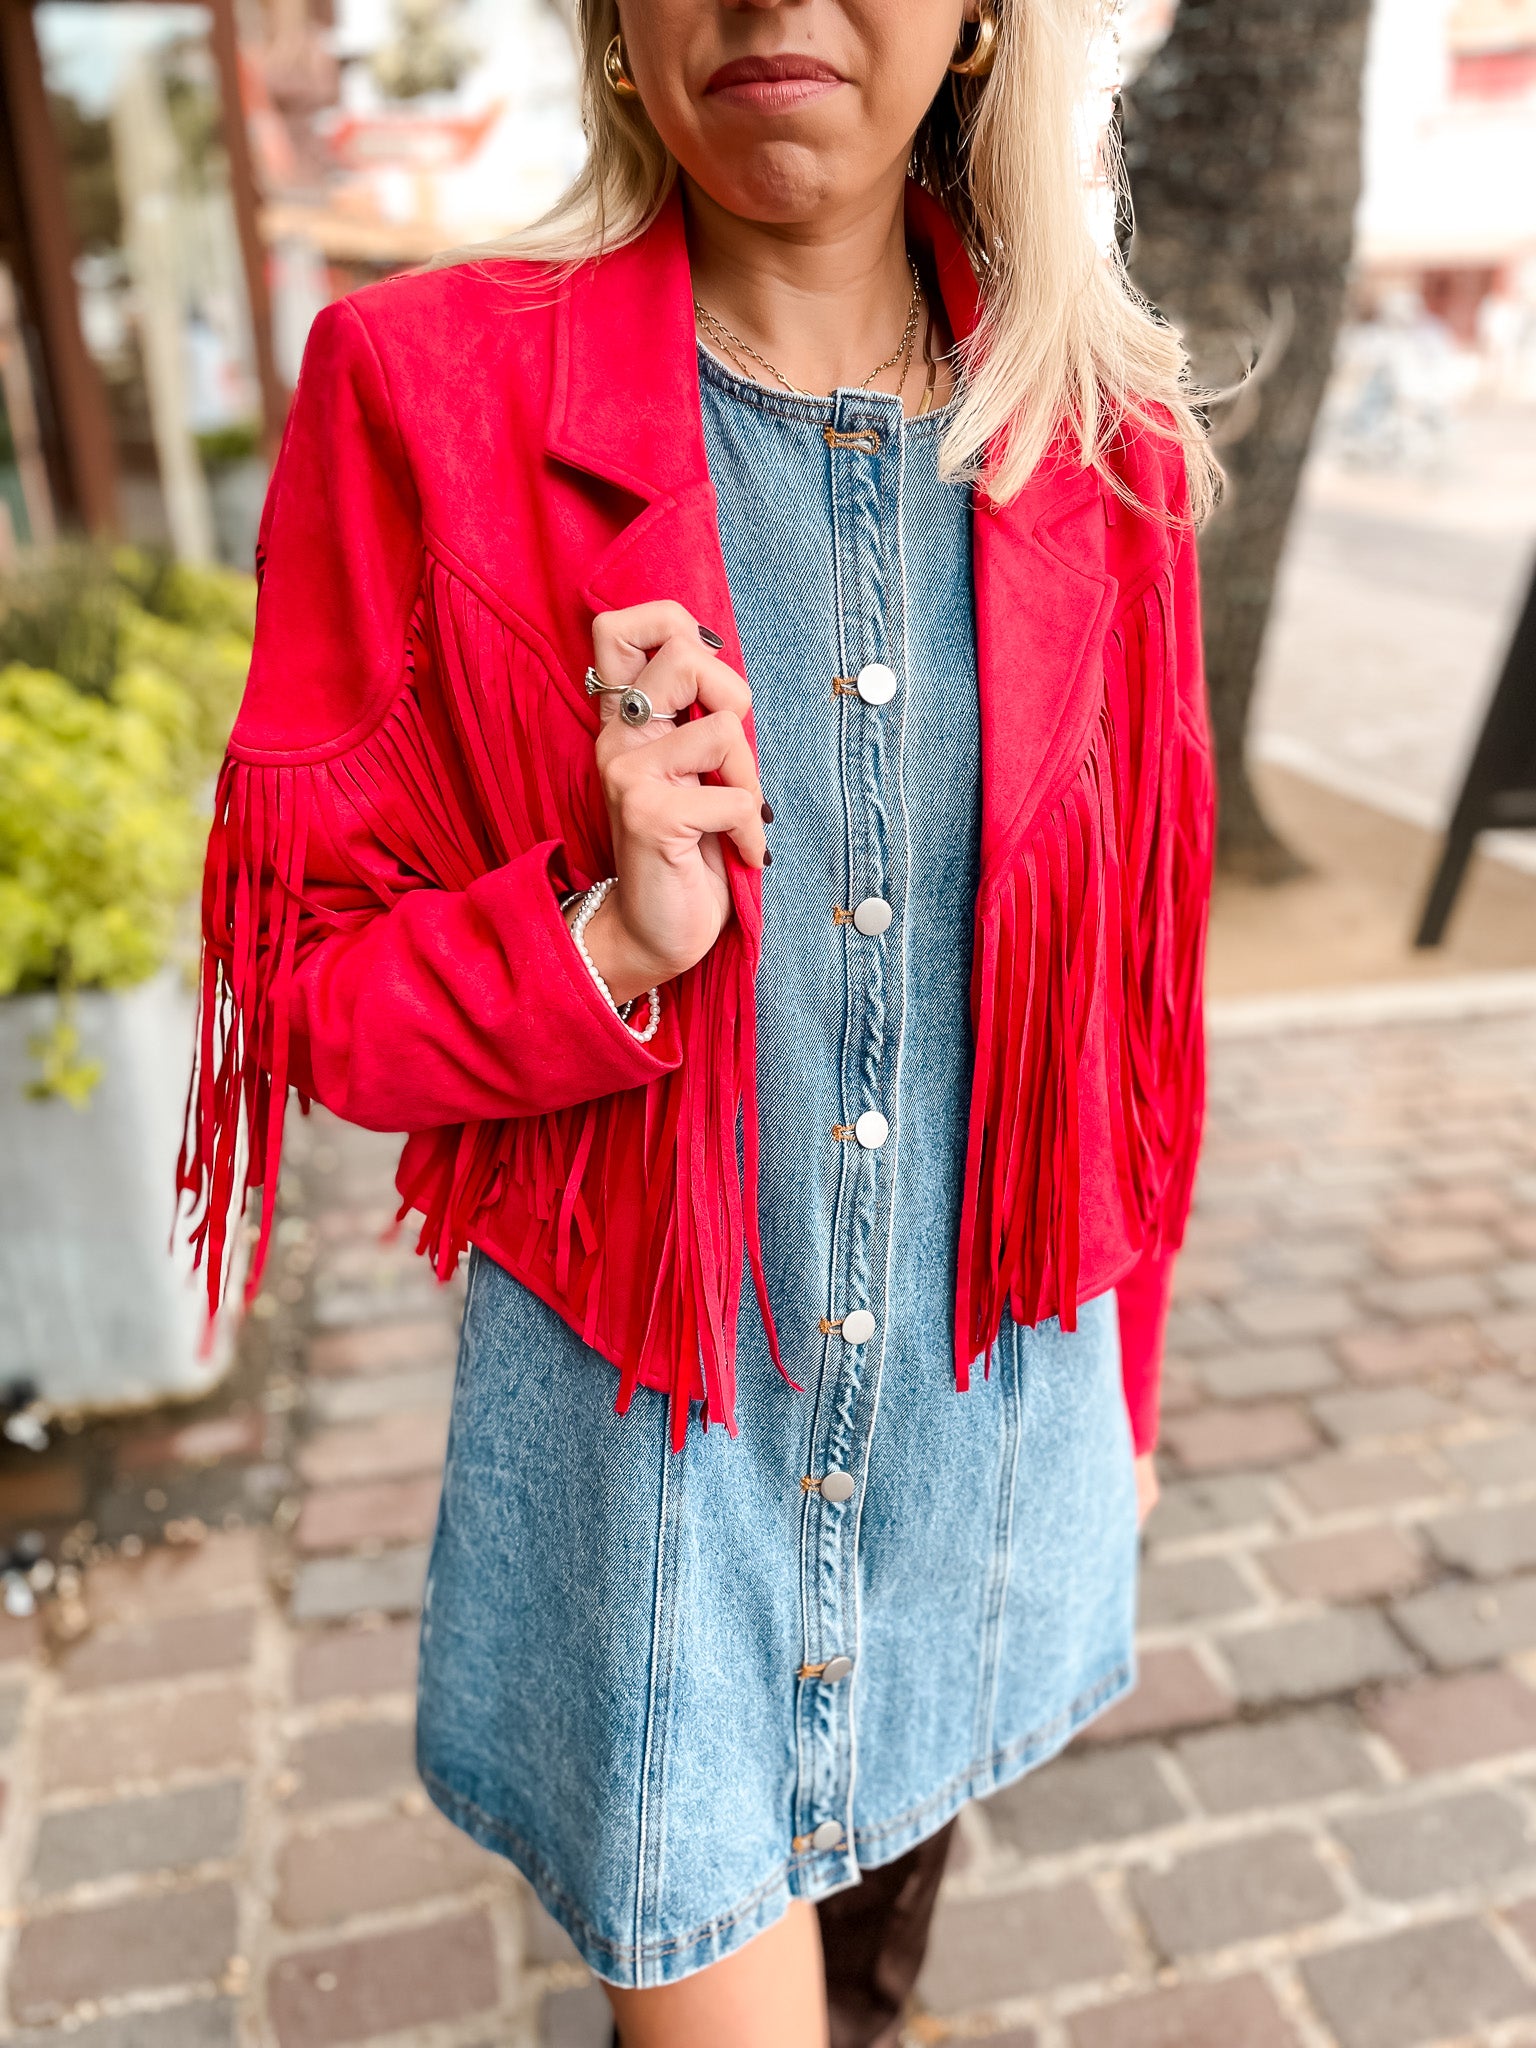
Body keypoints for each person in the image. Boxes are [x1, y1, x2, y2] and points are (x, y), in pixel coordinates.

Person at [179, 3, 1219, 2042]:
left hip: (987, 1442)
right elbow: (300, 982)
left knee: (872, 1966)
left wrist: (1139, 1402)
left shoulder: (1108, 449)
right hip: (662, 1483)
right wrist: (601, 939)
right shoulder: (424, 393)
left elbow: (1140, 1006)